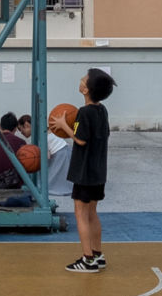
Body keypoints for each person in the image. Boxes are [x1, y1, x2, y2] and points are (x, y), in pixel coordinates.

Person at [51, 67, 114, 274]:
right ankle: (98, 254)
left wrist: (63, 124)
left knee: (80, 213)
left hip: (84, 171)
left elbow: (80, 139)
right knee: (92, 212)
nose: (80, 80)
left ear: (86, 89)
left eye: (84, 79)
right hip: (99, 170)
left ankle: (88, 259)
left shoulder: (84, 113)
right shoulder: (102, 110)